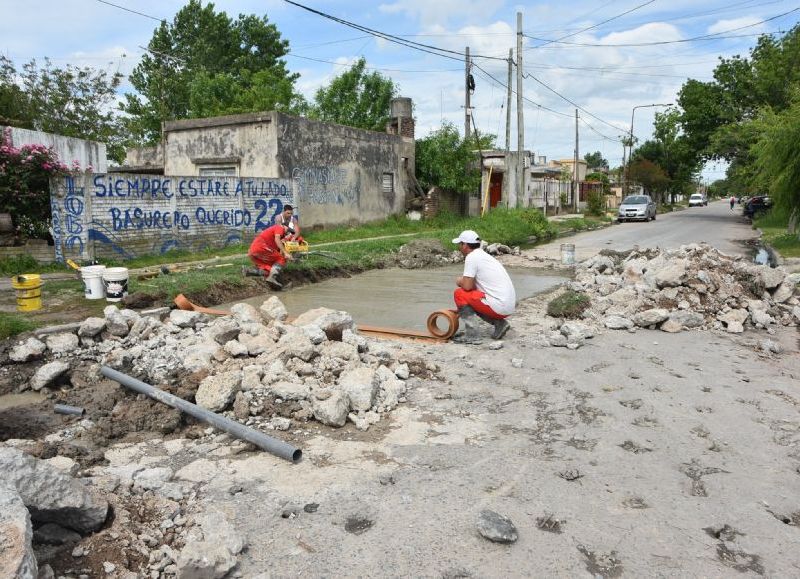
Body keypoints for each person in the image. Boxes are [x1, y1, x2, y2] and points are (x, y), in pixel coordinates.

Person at [452, 230, 516, 343]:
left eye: (460, 244)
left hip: (499, 306)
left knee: (460, 294)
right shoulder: (483, 255)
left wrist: (459, 281)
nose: (459, 247)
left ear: (465, 245)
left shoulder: (471, 257)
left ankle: (472, 335)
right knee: (471, 296)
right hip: (508, 305)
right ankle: (500, 324)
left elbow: (467, 286)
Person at [243, 223, 294, 289]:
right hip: (261, 247)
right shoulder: (279, 227)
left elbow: (275, 252)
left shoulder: (275, 236)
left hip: (253, 252)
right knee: (281, 259)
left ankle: (249, 271)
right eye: (288, 230)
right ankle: (272, 278)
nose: (288, 233)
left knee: (270, 269)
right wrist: (285, 253)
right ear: (284, 226)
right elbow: (277, 239)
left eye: (290, 232)